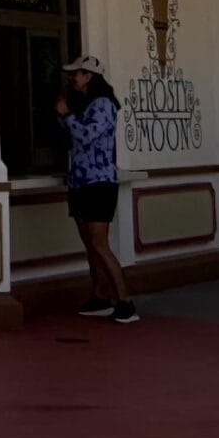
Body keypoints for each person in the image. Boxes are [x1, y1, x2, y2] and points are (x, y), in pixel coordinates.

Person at [55, 54, 136, 324]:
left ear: (89, 76)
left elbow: (86, 136)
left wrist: (67, 115)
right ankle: (100, 295)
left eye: (77, 73)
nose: (73, 78)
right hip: (80, 181)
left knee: (100, 244)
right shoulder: (86, 104)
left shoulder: (103, 105)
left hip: (98, 182)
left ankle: (125, 301)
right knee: (90, 244)